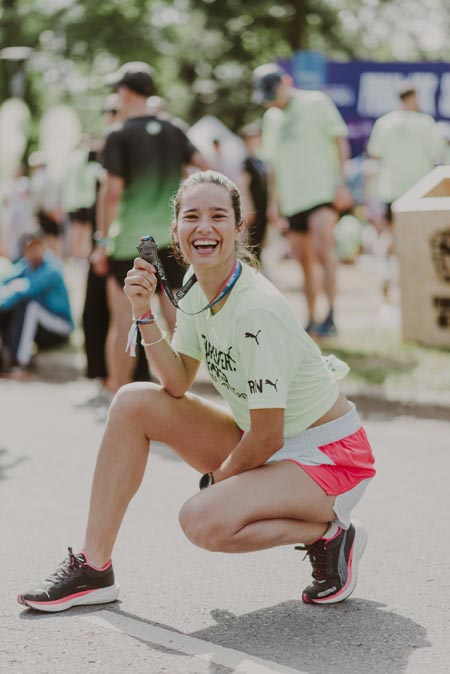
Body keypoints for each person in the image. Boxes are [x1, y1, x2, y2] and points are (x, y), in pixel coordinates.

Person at [17, 171, 375, 612]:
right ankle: (94, 568)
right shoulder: (194, 288)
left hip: (327, 457)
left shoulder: (255, 310)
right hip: (268, 440)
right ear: (176, 231)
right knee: (132, 401)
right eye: (192, 216)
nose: (203, 226)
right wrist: (144, 312)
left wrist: (218, 480)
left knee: (201, 520)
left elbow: (268, 436)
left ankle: (330, 534)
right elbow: (177, 382)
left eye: (218, 216)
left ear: (239, 229)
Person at [91, 61, 209, 393]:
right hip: (169, 240)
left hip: (130, 242)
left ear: (126, 93)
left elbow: (111, 193)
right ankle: (177, 393)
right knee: (176, 320)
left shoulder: (118, 133)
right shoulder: (174, 129)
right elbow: (205, 169)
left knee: (123, 321)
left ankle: (117, 396)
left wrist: (100, 240)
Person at [252, 63, 353, 337]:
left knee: (323, 248)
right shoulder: (271, 117)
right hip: (292, 198)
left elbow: (339, 141)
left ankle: (330, 315)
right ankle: (311, 318)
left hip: (322, 191)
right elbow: (272, 164)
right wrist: (274, 202)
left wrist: (342, 182)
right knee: (303, 260)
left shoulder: (317, 101)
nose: (271, 100)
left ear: (286, 82)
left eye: (273, 92)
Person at [367, 82, 442, 298]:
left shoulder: (385, 123)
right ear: (413, 97)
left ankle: (387, 274)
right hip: (420, 192)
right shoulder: (426, 123)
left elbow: (375, 158)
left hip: (392, 192)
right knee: (420, 239)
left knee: (391, 236)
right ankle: (412, 284)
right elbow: (436, 156)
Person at [0, 232, 73, 378]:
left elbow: (27, 290)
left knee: (29, 305)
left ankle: (20, 363)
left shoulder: (51, 268)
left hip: (59, 327)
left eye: (37, 247)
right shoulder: (25, 266)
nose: (34, 252)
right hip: (41, 326)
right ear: (24, 252)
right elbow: (6, 283)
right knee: (10, 306)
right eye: (29, 249)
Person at [238, 121, 269, 262]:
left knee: (261, 239)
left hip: (262, 206)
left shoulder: (260, 161)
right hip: (253, 207)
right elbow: (243, 185)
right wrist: (248, 206)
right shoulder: (246, 163)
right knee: (253, 240)